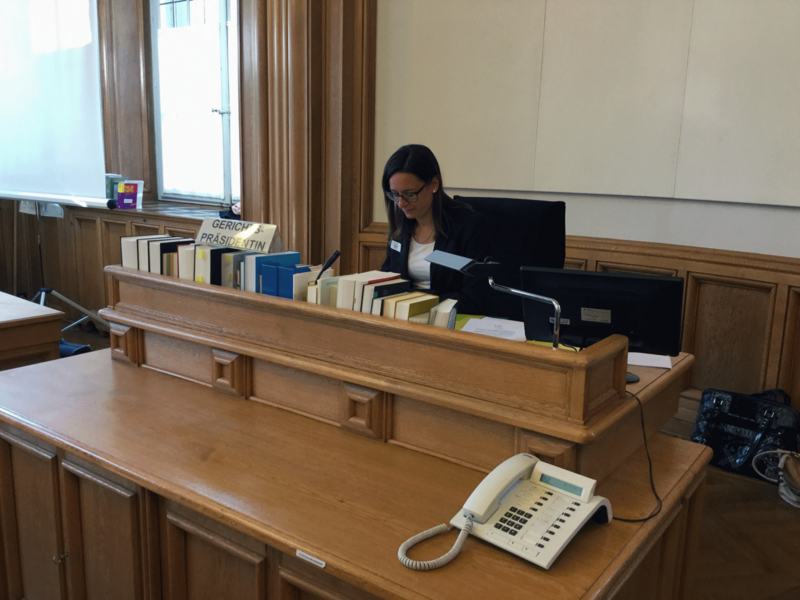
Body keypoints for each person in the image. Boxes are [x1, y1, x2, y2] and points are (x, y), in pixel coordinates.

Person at [380, 144, 488, 314]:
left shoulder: (469, 227)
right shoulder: (401, 225)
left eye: (410, 194)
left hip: (451, 318)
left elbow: (472, 298)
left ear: (434, 184)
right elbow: (388, 280)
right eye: (395, 194)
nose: (401, 204)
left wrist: (413, 299)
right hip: (403, 316)